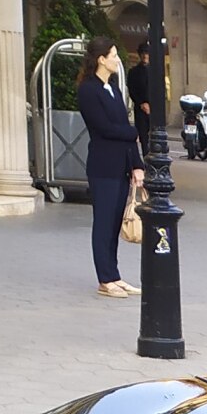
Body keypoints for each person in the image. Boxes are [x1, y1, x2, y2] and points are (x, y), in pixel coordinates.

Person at [76, 40, 141, 299]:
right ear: (101, 59)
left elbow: (125, 127)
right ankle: (105, 279)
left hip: (121, 165)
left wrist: (137, 165)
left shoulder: (113, 88)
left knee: (114, 222)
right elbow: (103, 127)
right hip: (102, 166)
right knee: (103, 223)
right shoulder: (88, 90)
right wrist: (134, 132)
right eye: (113, 55)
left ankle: (114, 275)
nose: (117, 59)